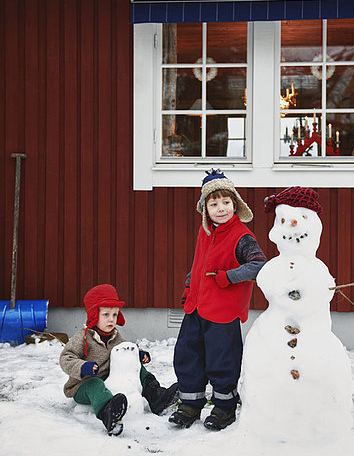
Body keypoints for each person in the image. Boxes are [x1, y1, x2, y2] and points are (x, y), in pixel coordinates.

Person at [169, 169, 267, 431]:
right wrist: (189, 286)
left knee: (221, 360)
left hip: (223, 313)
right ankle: (190, 403)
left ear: (235, 204)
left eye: (226, 202)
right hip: (197, 308)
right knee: (187, 355)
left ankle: (224, 407)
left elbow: (259, 265)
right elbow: (198, 264)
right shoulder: (206, 232)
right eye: (214, 204)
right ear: (205, 209)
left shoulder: (242, 236)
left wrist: (229, 277)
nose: (221, 208)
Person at [60, 283, 178, 436]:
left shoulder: (115, 336)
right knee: (94, 384)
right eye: (106, 315)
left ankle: (155, 396)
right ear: (94, 315)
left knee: (137, 367)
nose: (111, 319)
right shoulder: (83, 338)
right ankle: (109, 413)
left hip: (108, 379)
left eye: (115, 315)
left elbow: (124, 352)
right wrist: (82, 367)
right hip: (83, 385)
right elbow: (65, 358)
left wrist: (137, 355)